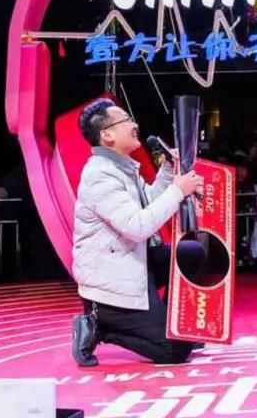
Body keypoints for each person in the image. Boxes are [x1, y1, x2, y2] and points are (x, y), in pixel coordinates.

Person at [69, 98, 205, 367]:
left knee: (192, 253)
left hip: (134, 264)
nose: (135, 125)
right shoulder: (99, 175)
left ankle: (171, 320)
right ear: (107, 135)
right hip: (111, 285)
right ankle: (100, 326)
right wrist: (178, 191)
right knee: (176, 351)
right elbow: (137, 227)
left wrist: (168, 170)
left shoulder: (123, 166)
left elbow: (149, 201)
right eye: (126, 121)